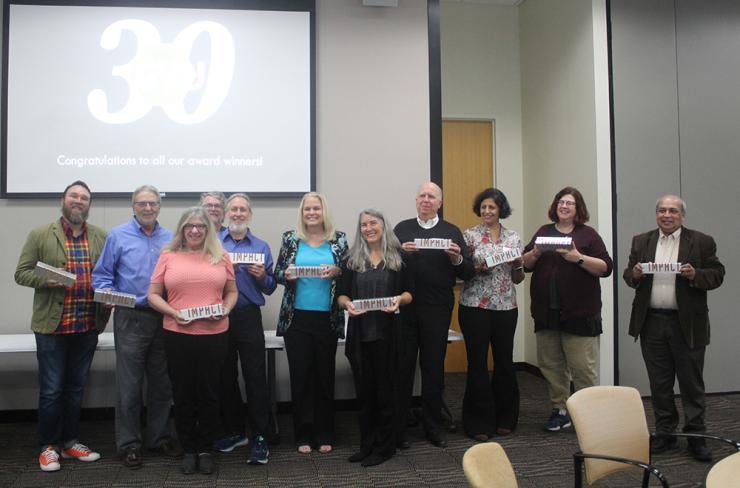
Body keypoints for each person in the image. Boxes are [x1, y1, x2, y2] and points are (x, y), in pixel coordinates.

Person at [15, 180, 110, 472]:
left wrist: (109, 294)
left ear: (89, 205)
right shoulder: (41, 234)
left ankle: (70, 442)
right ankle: (48, 446)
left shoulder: (100, 236)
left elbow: (107, 274)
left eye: (84, 198)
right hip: (52, 328)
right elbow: (21, 273)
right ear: (63, 200)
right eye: (74, 196)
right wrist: (47, 279)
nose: (78, 201)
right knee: (52, 389)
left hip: (86, 325)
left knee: (75, 388)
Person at [623, 195, 724, 462]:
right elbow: (627, 276)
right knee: (659, 383)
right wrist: (634, 274)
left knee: (692, 383)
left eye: (673, 211)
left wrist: (696, 275)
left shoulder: (701, 241)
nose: (667, 215)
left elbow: (717, 274)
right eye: (661, 210)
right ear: (656, 214)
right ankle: (665, 433)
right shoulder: (641, 241)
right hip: (652, 322)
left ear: (682, 216)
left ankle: (696, 437)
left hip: (687, 324)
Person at [91, 185, 180, 468]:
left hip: (164, 316)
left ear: (159, 207)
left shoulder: (170, 239)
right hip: (131, 316)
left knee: (162, 384)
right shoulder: (118, 236)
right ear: (133, 206)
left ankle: (159, 438)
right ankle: (129, 444)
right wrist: (108, 296)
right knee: (129, 385)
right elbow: (102, 277)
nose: (148, 208)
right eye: (142, 203)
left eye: (153, 203)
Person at [147, 207, 238, 475]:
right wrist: (173, 312)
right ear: (182, 229)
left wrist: (226, 308)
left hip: (215, 335)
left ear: (209, 229)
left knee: (210, 393)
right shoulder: (168, 256)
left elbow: (232, 292)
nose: (195, 230)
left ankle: (206, 448)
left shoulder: (221, 257)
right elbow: (153, 294)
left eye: (200, 226)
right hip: (177, 334)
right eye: (189, 226)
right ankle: (188, 448)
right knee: (183, 393)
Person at [522, 187, 613, 432]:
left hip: (580, 314)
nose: (564, 206)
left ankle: (589, 416)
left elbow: (605, 267)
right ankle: (560, 410)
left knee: (583, 369)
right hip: (546, 313)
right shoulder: (544, 231)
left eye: (570, 203)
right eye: (561, 202)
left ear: (578, 208)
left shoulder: (588, 235)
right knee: (552, 366)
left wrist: (577, 257)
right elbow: (525, 264)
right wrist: (535, 252)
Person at [394, 182, 474, 448]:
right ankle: (400, 427)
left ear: (440, 202)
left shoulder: (451, 231)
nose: (426, 200)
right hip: (405, 308)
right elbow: (386, 265)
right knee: (402, 368)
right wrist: (399, 255)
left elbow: (468, 272)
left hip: (437, 308)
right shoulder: (402, 229)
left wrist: (456, 259)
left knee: (433, 368)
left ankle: (433, 426)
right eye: (422, 196)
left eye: (432, 196)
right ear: (416, 200)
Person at [337, 209, 413, 467]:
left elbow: (410, 293)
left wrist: (399, 300)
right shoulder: (352, 259)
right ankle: (366, 445)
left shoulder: (399, 256)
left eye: (373, 223)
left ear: (383, 225)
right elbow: (342, 295)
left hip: (389, 335)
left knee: (386, 393)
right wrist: (347, 305)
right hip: (361, 336)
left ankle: (386, 447)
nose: (368, 228)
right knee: (365, 395)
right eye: (363, 225)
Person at [274, 192, 347, 455]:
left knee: (324, 376)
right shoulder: (290, 239)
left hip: (327, 317)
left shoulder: (338, 240)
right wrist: (288, 274)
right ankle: (303, 434)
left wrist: (339, 271)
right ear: (302, 213)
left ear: (323, 211)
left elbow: (347, 273)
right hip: (297, 318)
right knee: (301, 376)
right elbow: (278, 274)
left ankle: (325, 431)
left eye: (316, 208)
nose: (312, 213)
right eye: (307, 209)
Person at [458, 188, 524, 441]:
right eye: (483, 207)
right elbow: (463, 270)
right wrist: (478, 268)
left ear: (500, 210)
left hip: (506, 307)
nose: (487, 211)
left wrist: (518, 265)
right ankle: (478, 422)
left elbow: (517, 278)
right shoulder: (470, 235)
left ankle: (505, 417)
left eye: (492, 208)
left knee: (504, 362)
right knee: (477, 364)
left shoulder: (513, 237)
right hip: (475, 306)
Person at [216, 193, 276, 464]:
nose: (238, 214)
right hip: (219, 316)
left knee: (255, 377)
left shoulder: (261, 246)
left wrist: (263, 276)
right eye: (234, 209)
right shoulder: (213, 243)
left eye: (243, 210)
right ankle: (235, 431)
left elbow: (272, 287)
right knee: (224, 376)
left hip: (249, 316)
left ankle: (260, 436)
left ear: (249, 214)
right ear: (227, 214)